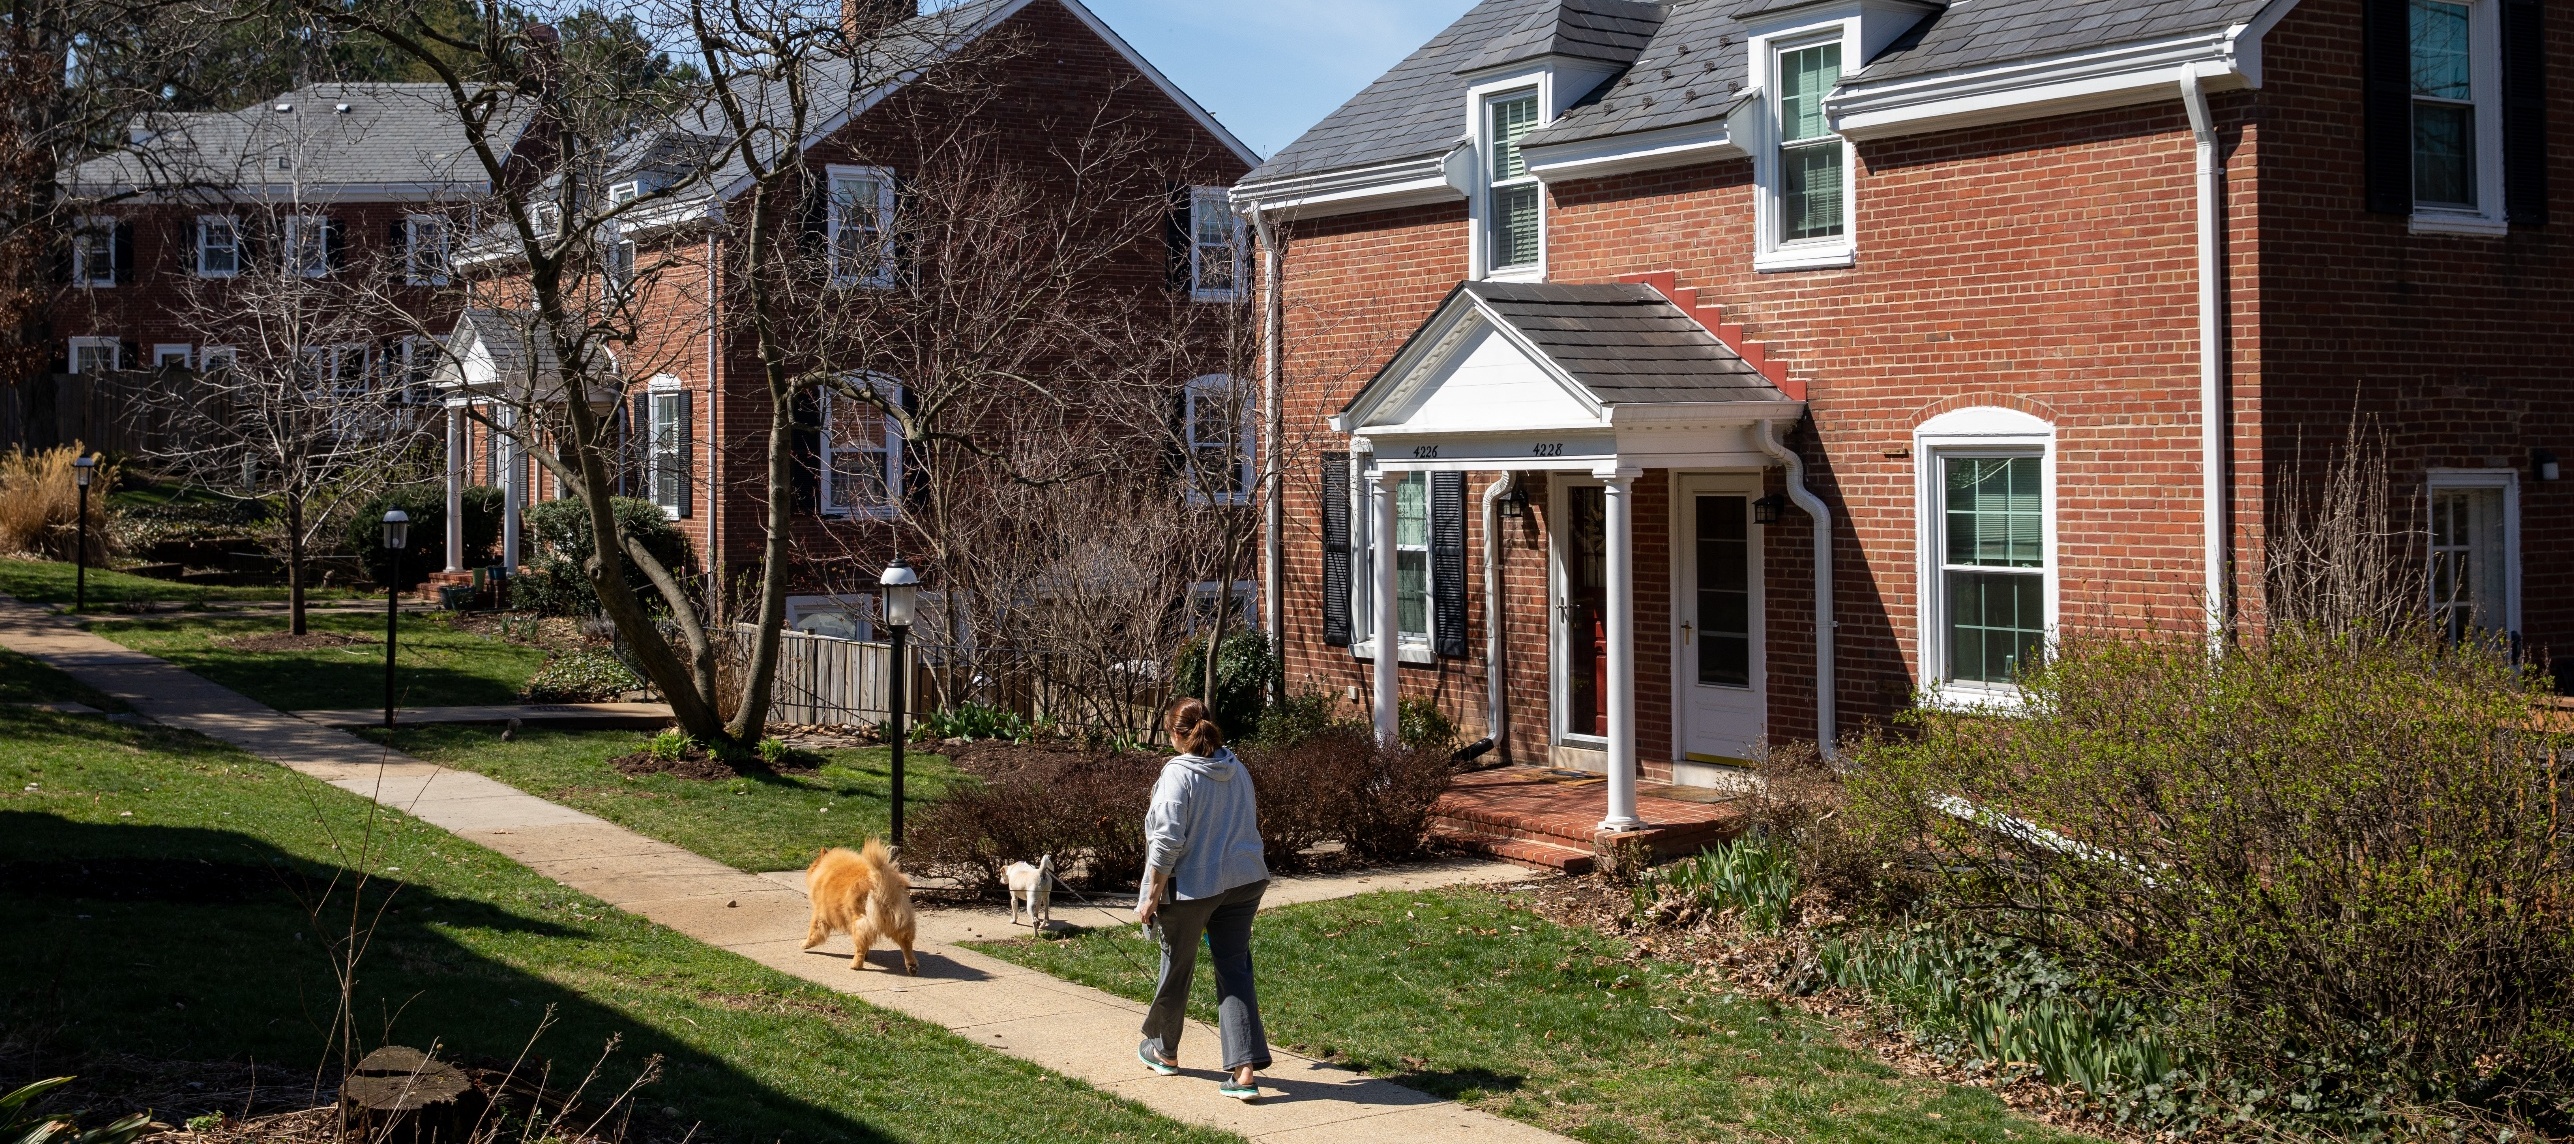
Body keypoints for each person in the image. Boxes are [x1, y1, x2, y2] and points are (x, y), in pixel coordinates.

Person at [1135, 697, 1271, 1101]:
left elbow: (1166, 842)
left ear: (1177, 735)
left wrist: (1151, 896)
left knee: (1176, 965)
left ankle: (1163, 1050)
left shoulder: (1178, 774)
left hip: (1195, 888)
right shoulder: (1236, 767)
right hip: (1245, 883)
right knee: (1234, 969)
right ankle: (1244, 1073)